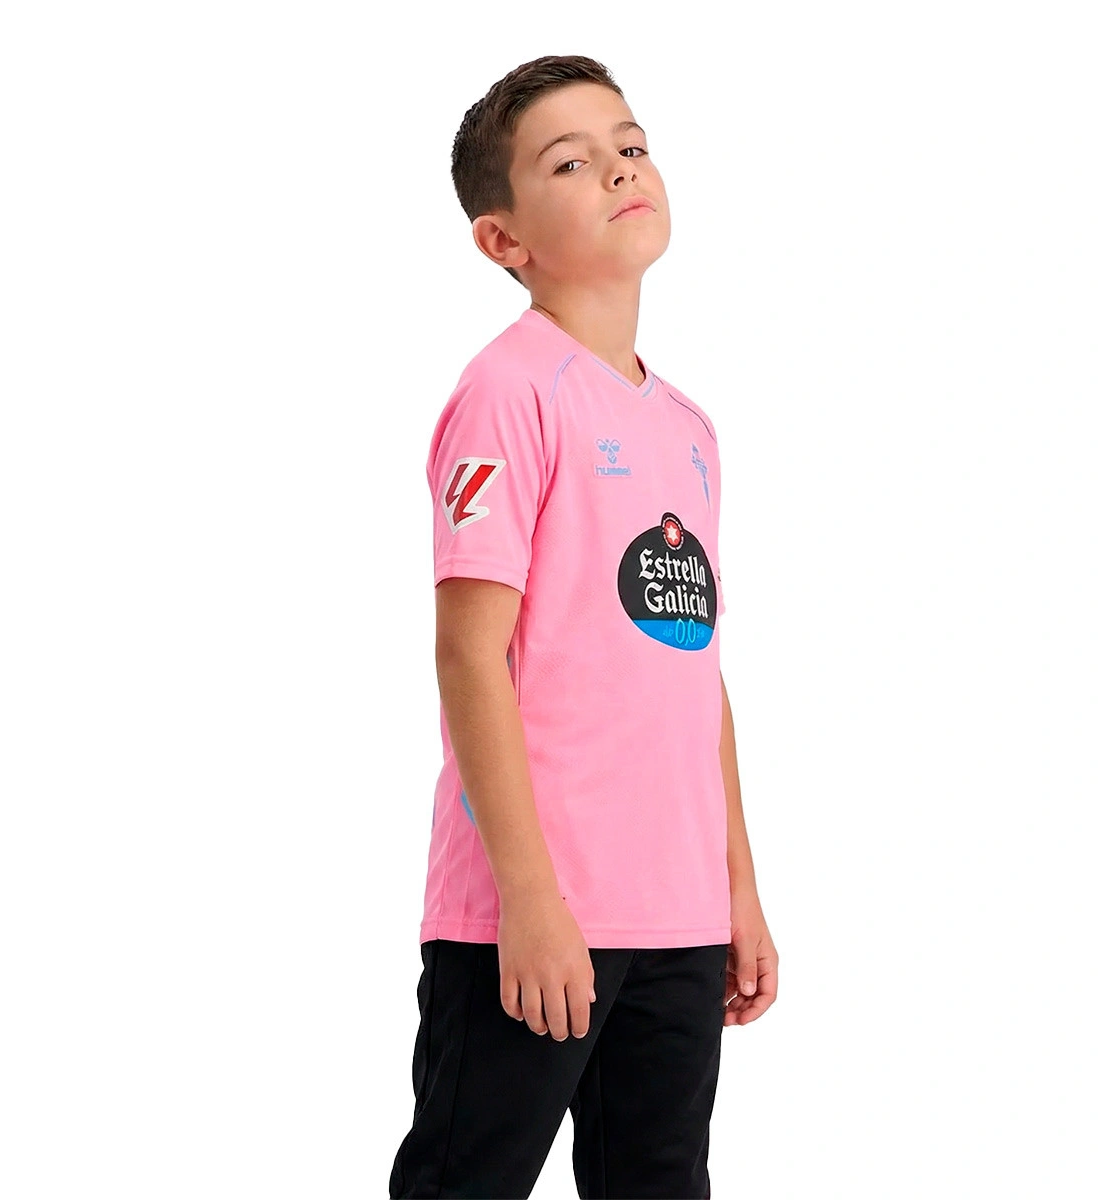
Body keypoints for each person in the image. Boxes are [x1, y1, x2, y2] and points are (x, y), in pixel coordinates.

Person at [389, 54, 778, 1200]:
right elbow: (469, 653)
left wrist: (737, 888)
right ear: (502, 239)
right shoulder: (509, 393)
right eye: (570, 162)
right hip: (535, 916)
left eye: (630, 145)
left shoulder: (691, 430)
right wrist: (529, 899)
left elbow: (694, 674)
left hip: (677, 918)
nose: (617, 169)